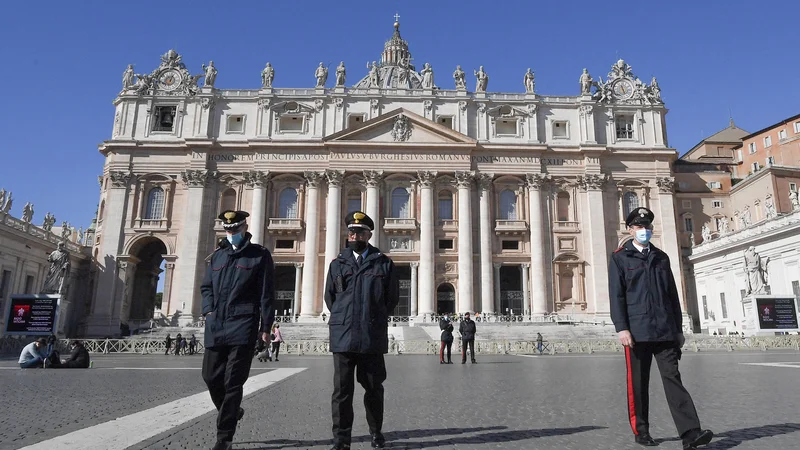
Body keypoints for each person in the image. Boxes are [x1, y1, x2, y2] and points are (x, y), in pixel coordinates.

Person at [609, 207, 713, 450]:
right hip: (635, 331)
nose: (643, 230)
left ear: (651, 230)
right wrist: (622, 328)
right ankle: (641, 430)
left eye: (646, 227)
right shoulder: (619, 258)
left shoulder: (662, 257)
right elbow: (617, 296)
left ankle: (690, 433)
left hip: (665, 329)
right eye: (638, 227)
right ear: (630, 229)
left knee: (673, 378)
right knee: (638, 383)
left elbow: (673, 296)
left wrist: (678, 328)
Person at [201, 210, 276, 450]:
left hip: (243, 324)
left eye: (235, 229)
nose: (231, 232)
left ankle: (224, 438)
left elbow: (266, 294)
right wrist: (208, 311)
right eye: (228, 229)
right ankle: (233, 410)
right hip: (217, 324)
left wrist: (266, 327)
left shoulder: (259, 256)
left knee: (233, 382)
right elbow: (206, 288)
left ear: (244, 228)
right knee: (210, 377)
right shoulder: (217, 256)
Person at [324, 210, 399, 450]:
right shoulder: (337, 264)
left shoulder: (384, 263)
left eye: (360, 231)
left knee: (374, 389)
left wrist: (372, 317)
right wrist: (345, 317)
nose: (355, 235)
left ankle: (376, 433)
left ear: (369, 234)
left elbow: (391, 299)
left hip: (371, 336)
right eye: (352, 231)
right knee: (341, 392)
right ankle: (341, 439)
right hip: (343, 335)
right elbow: (330, 298)